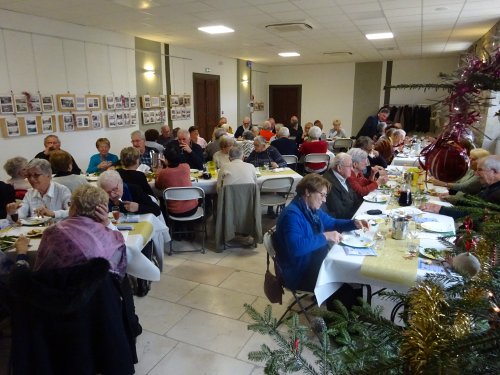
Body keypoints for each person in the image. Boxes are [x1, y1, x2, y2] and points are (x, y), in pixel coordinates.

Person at [273, 174, 369, 293]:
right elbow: (296, 248)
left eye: (325, 195)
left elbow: (332, 223)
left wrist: (353, 224)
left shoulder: (310, 209)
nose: (324, 200)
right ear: (308, 192)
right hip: (300, 273)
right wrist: (325, 236)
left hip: (314, 262)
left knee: (354, 277)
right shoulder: (292, 215)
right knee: (349, 284)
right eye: (322, 195)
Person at [33, 184, 127, 275]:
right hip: (99, 288)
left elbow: (41, 271)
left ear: (73, 207)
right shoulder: (113, 237)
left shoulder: (52, 232)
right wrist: (107, 222)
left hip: (60, 288)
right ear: (102, 211)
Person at [421, 155, 500, 219]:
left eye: (480, 170)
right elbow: (473, 203)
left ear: (494, 171)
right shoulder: (491, 186)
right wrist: (454, 198)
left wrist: (439, 209)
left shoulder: (497, 194)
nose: (476, 174)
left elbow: (473, 213)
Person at [6, 159, 71, 220]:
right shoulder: (30, 193)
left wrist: (53, 213)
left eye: (36, 175)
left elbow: (72, 212)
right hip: (34, 231)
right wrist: (13, 212)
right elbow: (22, 214)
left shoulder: (62, 190)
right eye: (29, 176)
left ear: (48, 175)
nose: (31, 179)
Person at [155, 146, 198, 218]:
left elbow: (158, 186)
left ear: (166, 159)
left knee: (161, 201)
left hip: (174, 211)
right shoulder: (186, 167)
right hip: (192, 209)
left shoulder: (163, 173)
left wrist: (158, 174)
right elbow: (175, 170)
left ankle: (169, 225)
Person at [323, 153, 363, 219]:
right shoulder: (329, 183)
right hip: (345, 221)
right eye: (350, 166)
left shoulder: (342, 176)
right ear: (339, 167)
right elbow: (339, 212)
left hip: (353, 215)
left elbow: (354, 198)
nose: (352, 169)